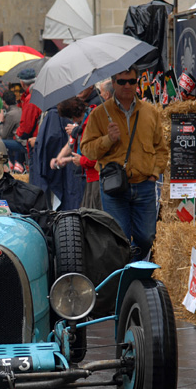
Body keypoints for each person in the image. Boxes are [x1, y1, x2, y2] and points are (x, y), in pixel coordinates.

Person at [81, 66, 164, 261]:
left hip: (144, 184)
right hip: (113, 187)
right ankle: (126, 278)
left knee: (146, 237)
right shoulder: (99, 114)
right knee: (120, 239)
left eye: (131, 81)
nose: (127, 86)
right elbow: (87, 150)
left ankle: (131, 266)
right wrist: (108, 139)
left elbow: (160, 147)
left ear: (137, 83)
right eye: (122, 81)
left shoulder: (150, 112)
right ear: (114, 83)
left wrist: (154, 172)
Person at [51, 96, 101, 210]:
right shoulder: (82, 124)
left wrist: (80, 161)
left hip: (95, 175)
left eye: (70, 118)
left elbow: (94, 154)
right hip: (89, 175)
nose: (71, 121)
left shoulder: (91, 122)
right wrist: (62, 158)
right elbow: (71, 145)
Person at [0, 90, 25, 166]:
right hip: (23, 141)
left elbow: (3, 135)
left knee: (0, 142)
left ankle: (5, 165)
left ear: (4, 102)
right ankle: (15, 163)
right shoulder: (19, 110)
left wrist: (0, 122)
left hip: (21, 143)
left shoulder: (11, 114)